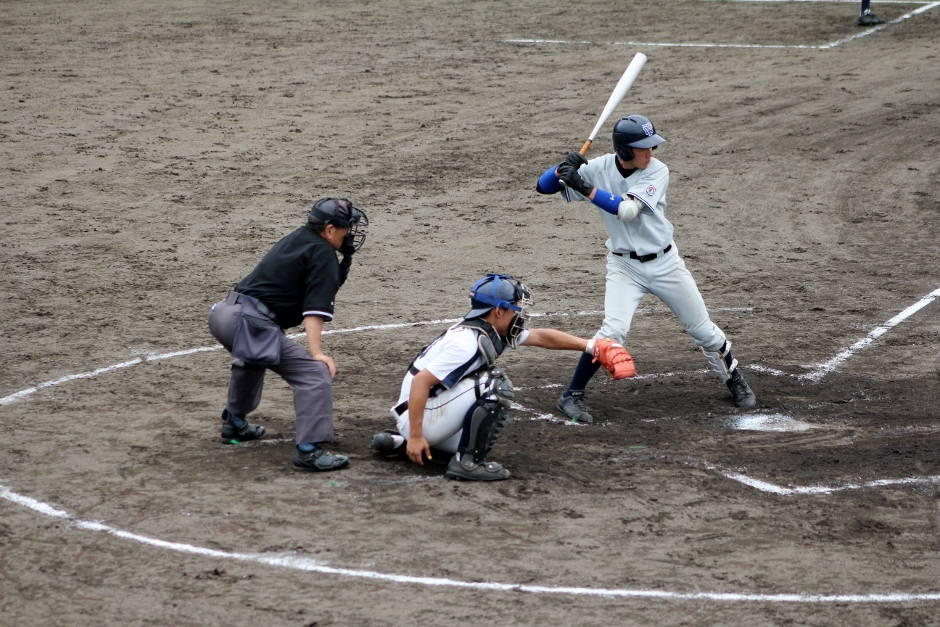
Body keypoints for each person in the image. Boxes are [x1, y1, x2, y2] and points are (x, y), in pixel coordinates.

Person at [536, 115, 757, 424]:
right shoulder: (599, 168)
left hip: (666, 264)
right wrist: (561, 169)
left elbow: (627, 210)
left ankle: (734, 379)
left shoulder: (657, 170)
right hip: (624, 266)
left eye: (652, 146)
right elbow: (542, 187)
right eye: (643, 147)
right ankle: (571, 395)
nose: (650, 152)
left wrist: (583, 186)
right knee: (612, 332)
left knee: (703, 330)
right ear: (624, 151)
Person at [371, 274, 635, 481]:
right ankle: (466, 463)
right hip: (419, 417)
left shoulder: (490, 331)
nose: (519, 314)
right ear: (498, 311)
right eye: (515, 308)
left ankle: (399, 443)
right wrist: (417, 435)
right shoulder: (466, 342)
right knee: (494, 384)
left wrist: (592, 346)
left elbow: (541, 337)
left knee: (477, 403)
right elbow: (420, 381)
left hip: (423, 412)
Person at [207, 197, 368, 472]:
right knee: (314, 375)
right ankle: (309, 452)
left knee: (255, 356)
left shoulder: (298, 237)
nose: (350, 234)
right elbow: (314, 311)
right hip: (249, 323)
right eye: (347, 228)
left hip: (223, 314)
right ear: (330, 229)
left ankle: (235, 423)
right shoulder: (323, 253)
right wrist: (317, 354)